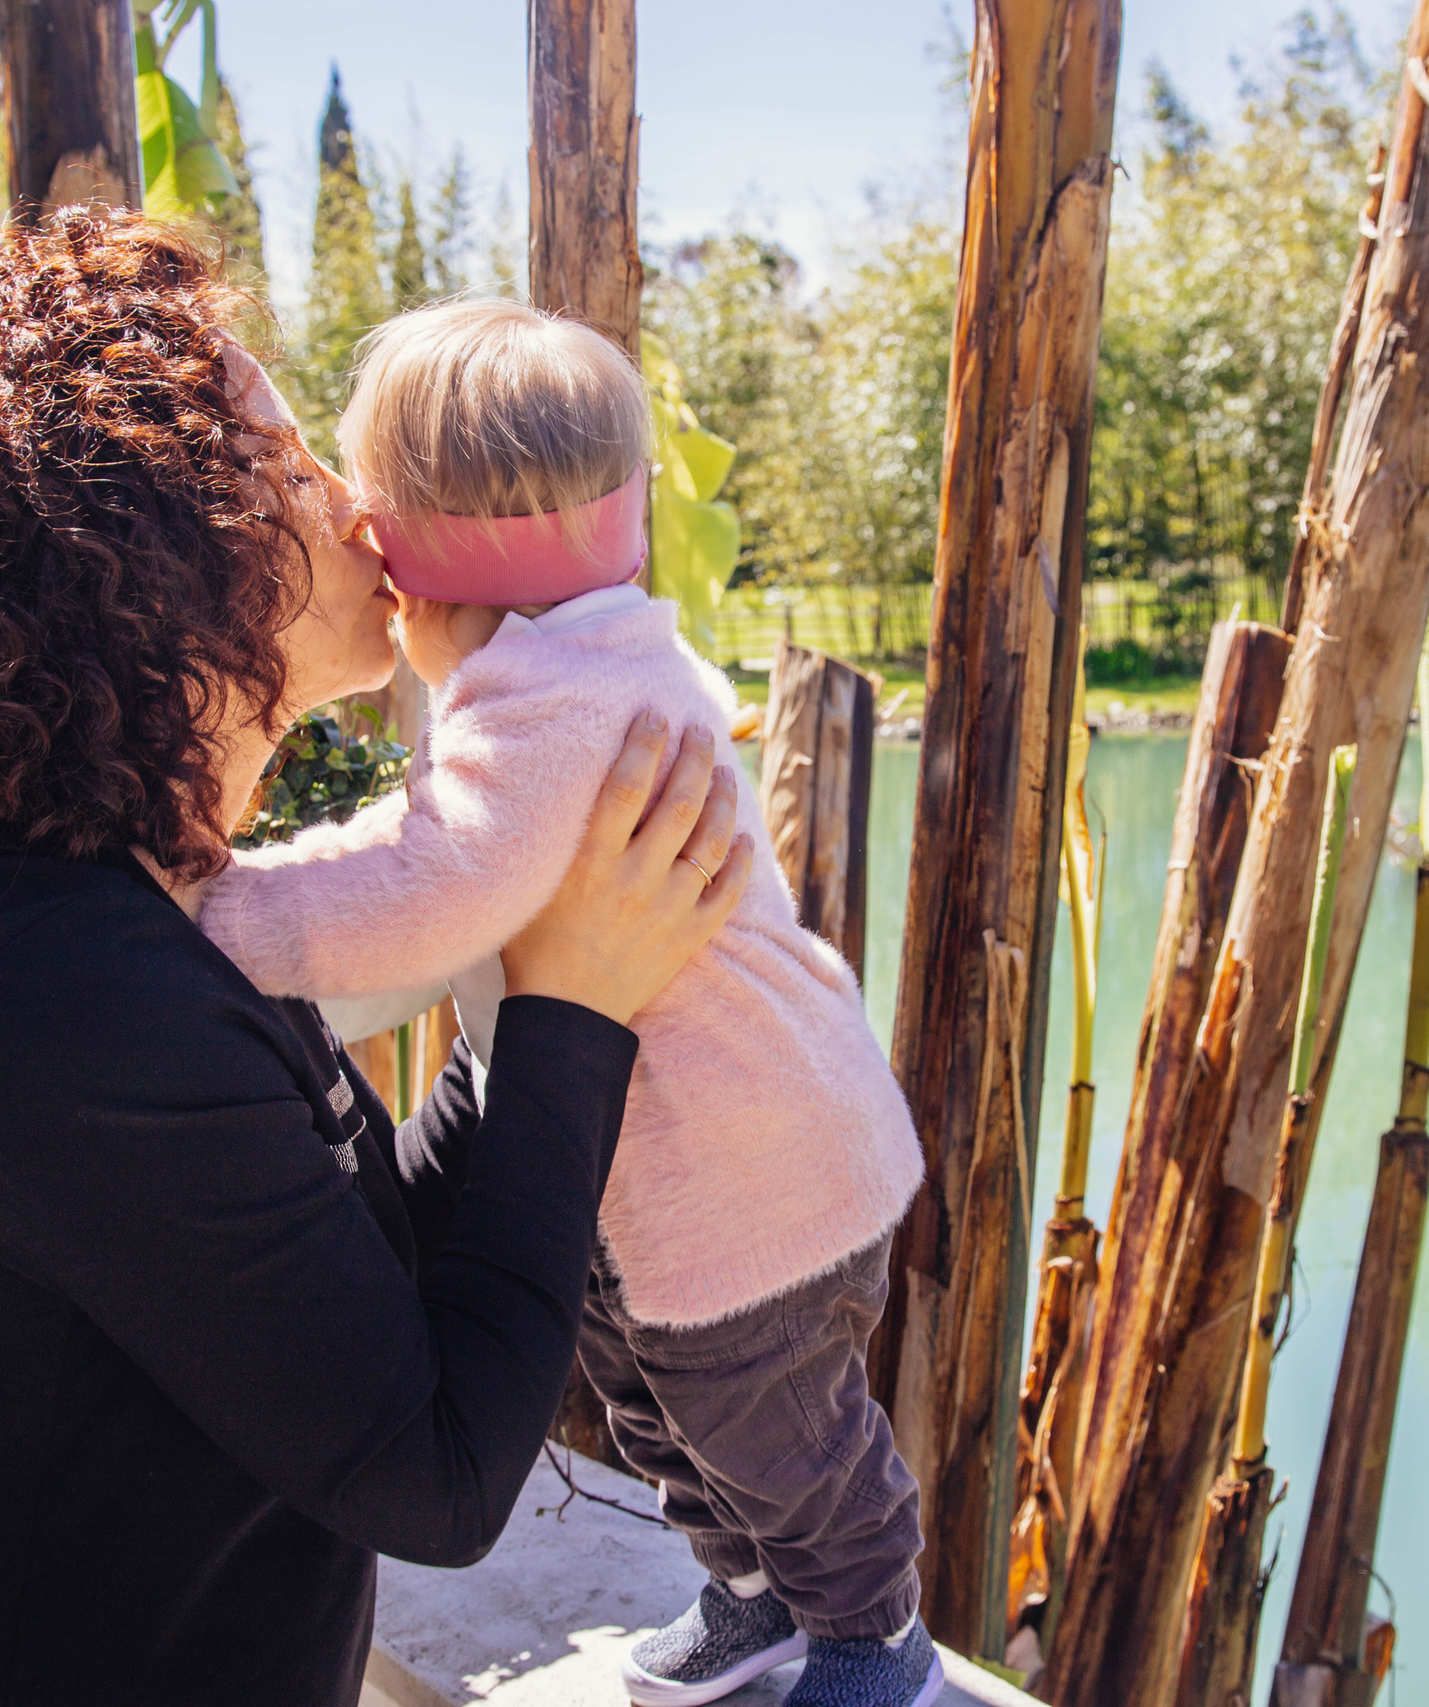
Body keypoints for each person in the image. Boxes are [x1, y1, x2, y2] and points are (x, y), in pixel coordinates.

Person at [0, 211, 748, 1707]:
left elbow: (355, 1288)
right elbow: (433, 1472)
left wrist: (540, 968)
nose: (358, 504)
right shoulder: (52, 1007)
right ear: (146, 555)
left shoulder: (97, 930)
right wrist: (573, 1012)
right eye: (289, 466)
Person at [193, 298, 938, 1707]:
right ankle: (754, 1597)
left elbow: (428, 889)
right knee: (662, 1408)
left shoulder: (553, 707)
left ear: (420, 570)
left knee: (773, 1429)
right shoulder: (576, 666)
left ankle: (866, 1627)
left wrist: (217, 916)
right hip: (688, 1178)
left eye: (367, 521)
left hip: (753, 1179)